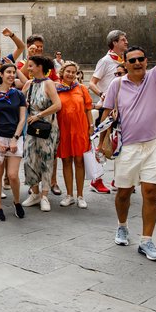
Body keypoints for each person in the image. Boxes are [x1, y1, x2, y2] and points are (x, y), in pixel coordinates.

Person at [100, 15, 156, 262]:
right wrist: (101, 142)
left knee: (150, 192)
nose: (138, 63)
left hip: (153, 144)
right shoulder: (116, 85)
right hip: (128, 147)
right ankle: (122, 225)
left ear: (146, 61)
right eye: (133, 60)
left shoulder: (155, 78)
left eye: (141, 59)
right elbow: (106, 114)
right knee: (124, 192)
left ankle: (147, 241)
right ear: (125, 63)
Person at [0, 64, 27, 220]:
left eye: (13, 72)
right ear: (1, 74)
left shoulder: (18, 94)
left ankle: (16, 202)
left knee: (13, 175)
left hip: (15, 136)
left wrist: (15, 139)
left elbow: (22, 118)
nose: (11, 75)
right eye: (8, 72)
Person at [87, 29, 128, 194]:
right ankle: (96, 180)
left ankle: (118, 180)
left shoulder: (126, 60)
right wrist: (102, 94)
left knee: (122, 145)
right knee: (101, 145)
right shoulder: (105, 61)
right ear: (115, 42)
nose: (126, 42)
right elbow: (92, 83)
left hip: (124, 108)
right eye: (123, 39)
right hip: (108, 109)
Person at [21, 55, 62, 212]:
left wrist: (39, 114)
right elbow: (20, 101)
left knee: (46, 159)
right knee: (29, 159)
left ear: (39, 67)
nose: (29, 69)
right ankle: (35, 193)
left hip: (48, 126)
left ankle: (45, 195)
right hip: (31, 126)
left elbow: (58, 105)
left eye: (31, 66)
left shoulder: (49, 83)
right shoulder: (28, 84)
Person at [55, 61, 93, 209]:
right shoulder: (56, 89)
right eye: (68, 71)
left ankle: (80, 195)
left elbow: (88, 109)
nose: (71, 74)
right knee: (66, 161)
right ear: (62, 73)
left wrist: (91, 127)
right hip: (63, 130)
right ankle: (69, 195)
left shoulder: (81, 88)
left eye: (73, 72)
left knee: (79, 161)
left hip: (80, 130)